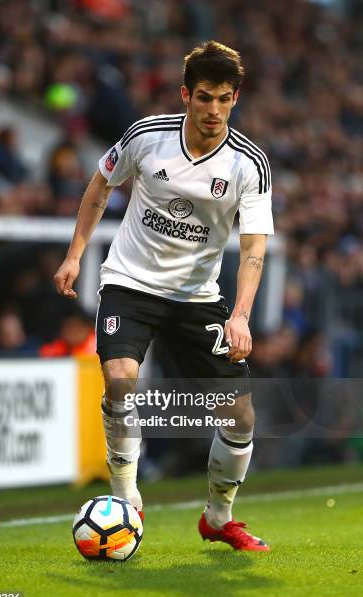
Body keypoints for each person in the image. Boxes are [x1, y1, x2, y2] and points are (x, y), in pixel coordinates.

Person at [55, 41, 273, 551]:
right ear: (185, 95)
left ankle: (219, 518)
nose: (213, 110)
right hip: (130, 282)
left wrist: (240, 315)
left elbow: (255, 247)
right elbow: (99, 187)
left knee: (240, 416)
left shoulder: (249, 164)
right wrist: (74, 255)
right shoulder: (147, 137)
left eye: (223, 99)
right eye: (204, 98)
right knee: (119, 379)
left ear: (235, 98)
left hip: (198, 296)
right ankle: (125, 497)